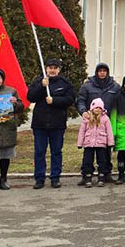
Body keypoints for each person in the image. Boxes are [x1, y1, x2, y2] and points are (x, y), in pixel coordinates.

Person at [27, 58, 75, 189]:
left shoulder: (65, 83)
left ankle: (55, 177)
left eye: (55, 68)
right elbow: (30, 97)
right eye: (50, 68)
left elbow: (70, 99)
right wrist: (41, 86)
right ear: (46, 69)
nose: (52, 70)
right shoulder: (39, 81)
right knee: (39, 152)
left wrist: (54, 101)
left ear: (59, 69)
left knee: (56, 152)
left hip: (57, 124)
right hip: (40, 124)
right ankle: (39, 178)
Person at [76, 63, 120, 183]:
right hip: (91, 122)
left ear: (107, 72)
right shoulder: (87, 86)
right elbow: (80, 100)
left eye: (104, 71)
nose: (102, 73)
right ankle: (86, 175)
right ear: (96, 72)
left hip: (106, 122)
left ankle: (106, 174)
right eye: (100, 71)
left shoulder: (115, 87)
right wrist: (83, 111)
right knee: (88, 154)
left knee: (105, 152)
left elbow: (120, 101)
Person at [77, 98, 114, 187]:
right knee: (87, 160)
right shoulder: (87, 118)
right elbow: (82, 131)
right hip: (89, 143)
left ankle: (101, 176)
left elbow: (109, 131)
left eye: (100, 108)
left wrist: (110, 142)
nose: (97, 109)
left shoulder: (105, 118)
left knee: (102, 160)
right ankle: (87, 176)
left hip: (101, 143)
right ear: (92, 108)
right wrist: (80, 143)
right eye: (96, 107)